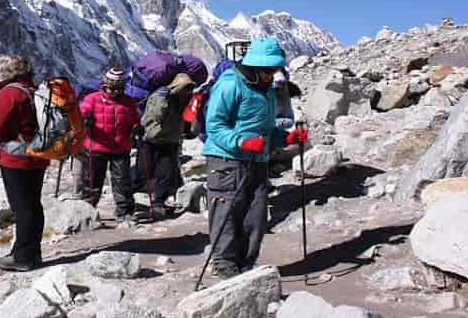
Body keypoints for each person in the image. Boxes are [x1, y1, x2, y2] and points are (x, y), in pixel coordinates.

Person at [202, 38, 308, 278]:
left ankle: (247, 265)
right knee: (227, 214)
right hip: (226, 161)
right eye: (268, 70)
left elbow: (267, 130)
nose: (272, 75)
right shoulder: (230, 84)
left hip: (258, 161)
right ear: (254, 66)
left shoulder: (267, 90)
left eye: (274, 69)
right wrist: (241, 142)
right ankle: (225, 266)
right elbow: (214, 126)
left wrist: (288, 139)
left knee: (255, 216)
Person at [0, 55, 49, 272]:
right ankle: (31, 253)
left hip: (16, 158)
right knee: (33, 205)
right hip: (38, 157)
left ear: (10, 71)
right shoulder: (35, 90)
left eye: (2, 69)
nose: (0, 72)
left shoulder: (10, 93)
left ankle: (22, 257)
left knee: (22, 208)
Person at [79, 67, 140, 224]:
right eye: (111, 87)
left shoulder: (128, 102)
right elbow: (81, 112)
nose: (114, 91)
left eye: (118, 88)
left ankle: (124, 213)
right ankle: (86, 214)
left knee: (122, 183)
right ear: (104, 84)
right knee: (91, 183)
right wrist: (85, 119)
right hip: (96, 147)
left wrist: (136, 127)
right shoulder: (92, 99)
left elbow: (134, 120)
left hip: (120, 148)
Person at [136, 72, 196, 221]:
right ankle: (132, 200)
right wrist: (165, 99)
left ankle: (158, 203)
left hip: (170, 141)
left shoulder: (186, 101)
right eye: (185, 88)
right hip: (151, 139)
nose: (187, 92)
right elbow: (157, 115)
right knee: (144, 171)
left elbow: (189, 117)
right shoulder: (161, 96)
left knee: (166, 174)